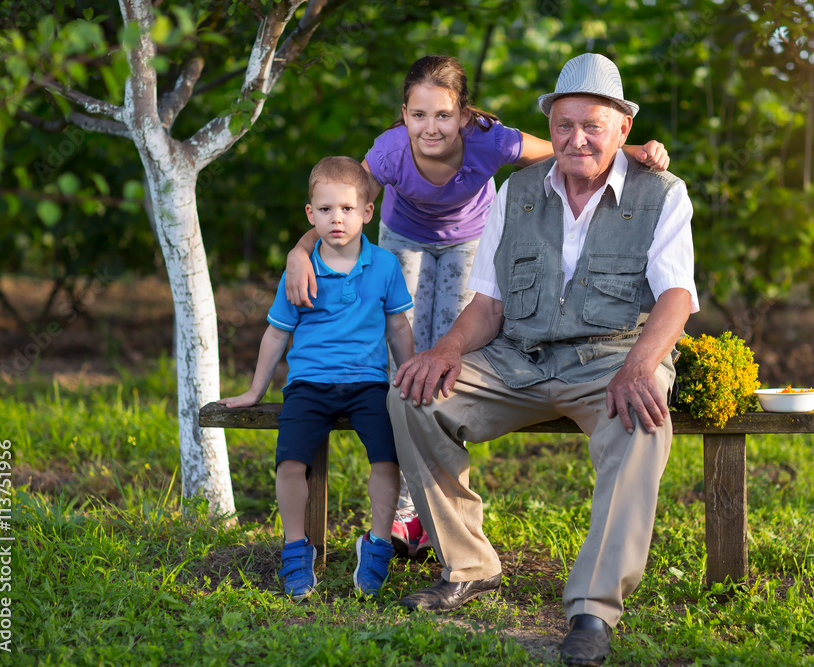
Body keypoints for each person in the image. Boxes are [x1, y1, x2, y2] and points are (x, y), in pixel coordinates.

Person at [283, 55, 671, 559]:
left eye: (443, 115)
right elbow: (344, 201)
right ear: (403, 115)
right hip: (405, 238)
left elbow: (556, 151)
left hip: (471, 239)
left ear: (464, 115)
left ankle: (426, 512)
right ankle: (404, 510)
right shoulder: (389, 153)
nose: (430, 127)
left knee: (445, 361)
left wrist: (633, 149)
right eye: (418, 115)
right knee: (403, 356)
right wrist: (299, 250)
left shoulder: (492, 139)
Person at [388, 53, 698, 667]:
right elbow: (489, 302)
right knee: (411, 394)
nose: (576, 138)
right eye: (563, 125)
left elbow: (676, 296)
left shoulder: (662, 193)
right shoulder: (518, 190)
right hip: (518, 359)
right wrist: (445, 350)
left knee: (641, 420)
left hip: (611, 359)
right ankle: (469, 564)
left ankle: (593, 608)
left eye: (592, 125)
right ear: (549, 128)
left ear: (623, 130)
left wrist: (640, 365)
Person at [217, 156, 415, 600]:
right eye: (325, 210)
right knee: (290, 463)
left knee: (387, 459)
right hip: (308, 384)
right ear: (311, 214)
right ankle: (295, 548)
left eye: (347, 208)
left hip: (368, 383)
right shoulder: (300, 270)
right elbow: (276, 333)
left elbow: (399, 327)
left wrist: (407, 376)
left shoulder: (383, 265)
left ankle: (378, 542)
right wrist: (255, 390)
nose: (336, 218)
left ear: (367, 212)